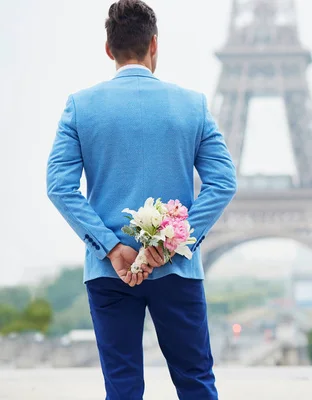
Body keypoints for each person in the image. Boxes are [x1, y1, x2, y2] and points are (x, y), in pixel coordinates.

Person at [46, 1, 236, 398]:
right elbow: (222, 184)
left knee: (122, 387)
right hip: (176, 271)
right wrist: (168, 245)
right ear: (154, 45)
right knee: (196, 380)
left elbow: (60, 187)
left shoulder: (80, 107)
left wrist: (111, 246)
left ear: (108, 49)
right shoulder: (193, 105)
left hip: (108, 271)